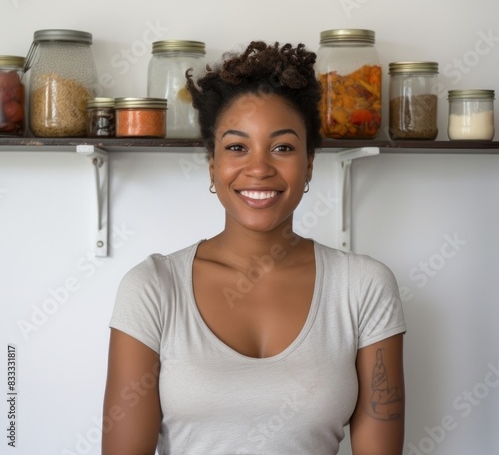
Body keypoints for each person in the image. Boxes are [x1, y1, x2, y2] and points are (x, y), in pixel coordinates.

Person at [102, 41, 406, 455]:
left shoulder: (364, 287)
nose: (259, 168)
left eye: (282, 147)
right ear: (213, 165)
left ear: (309, 163)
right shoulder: (153, 288)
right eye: (236, 147)